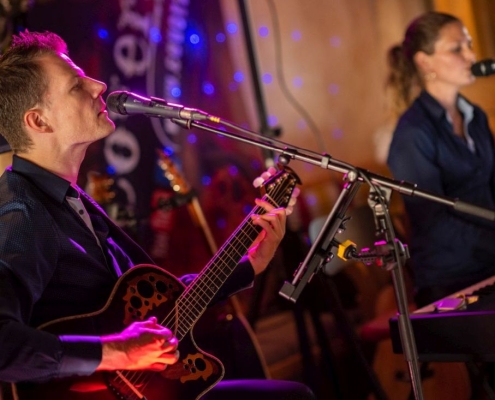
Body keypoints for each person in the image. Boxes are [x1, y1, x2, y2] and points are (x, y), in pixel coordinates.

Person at [0, 31, 314, 399]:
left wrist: (250, 263)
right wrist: (117, 352)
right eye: (75, 85)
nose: (99, 85)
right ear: (39, 122)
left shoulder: (68, 198)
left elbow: (157, 308)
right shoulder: (21, 213)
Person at [386, 11, 495, 308]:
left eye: (469, 44)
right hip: (452, 278)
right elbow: (435, 224)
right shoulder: (412, 134)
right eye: (457, 48)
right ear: (424, 62)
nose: (471, 55)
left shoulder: (476, 116)